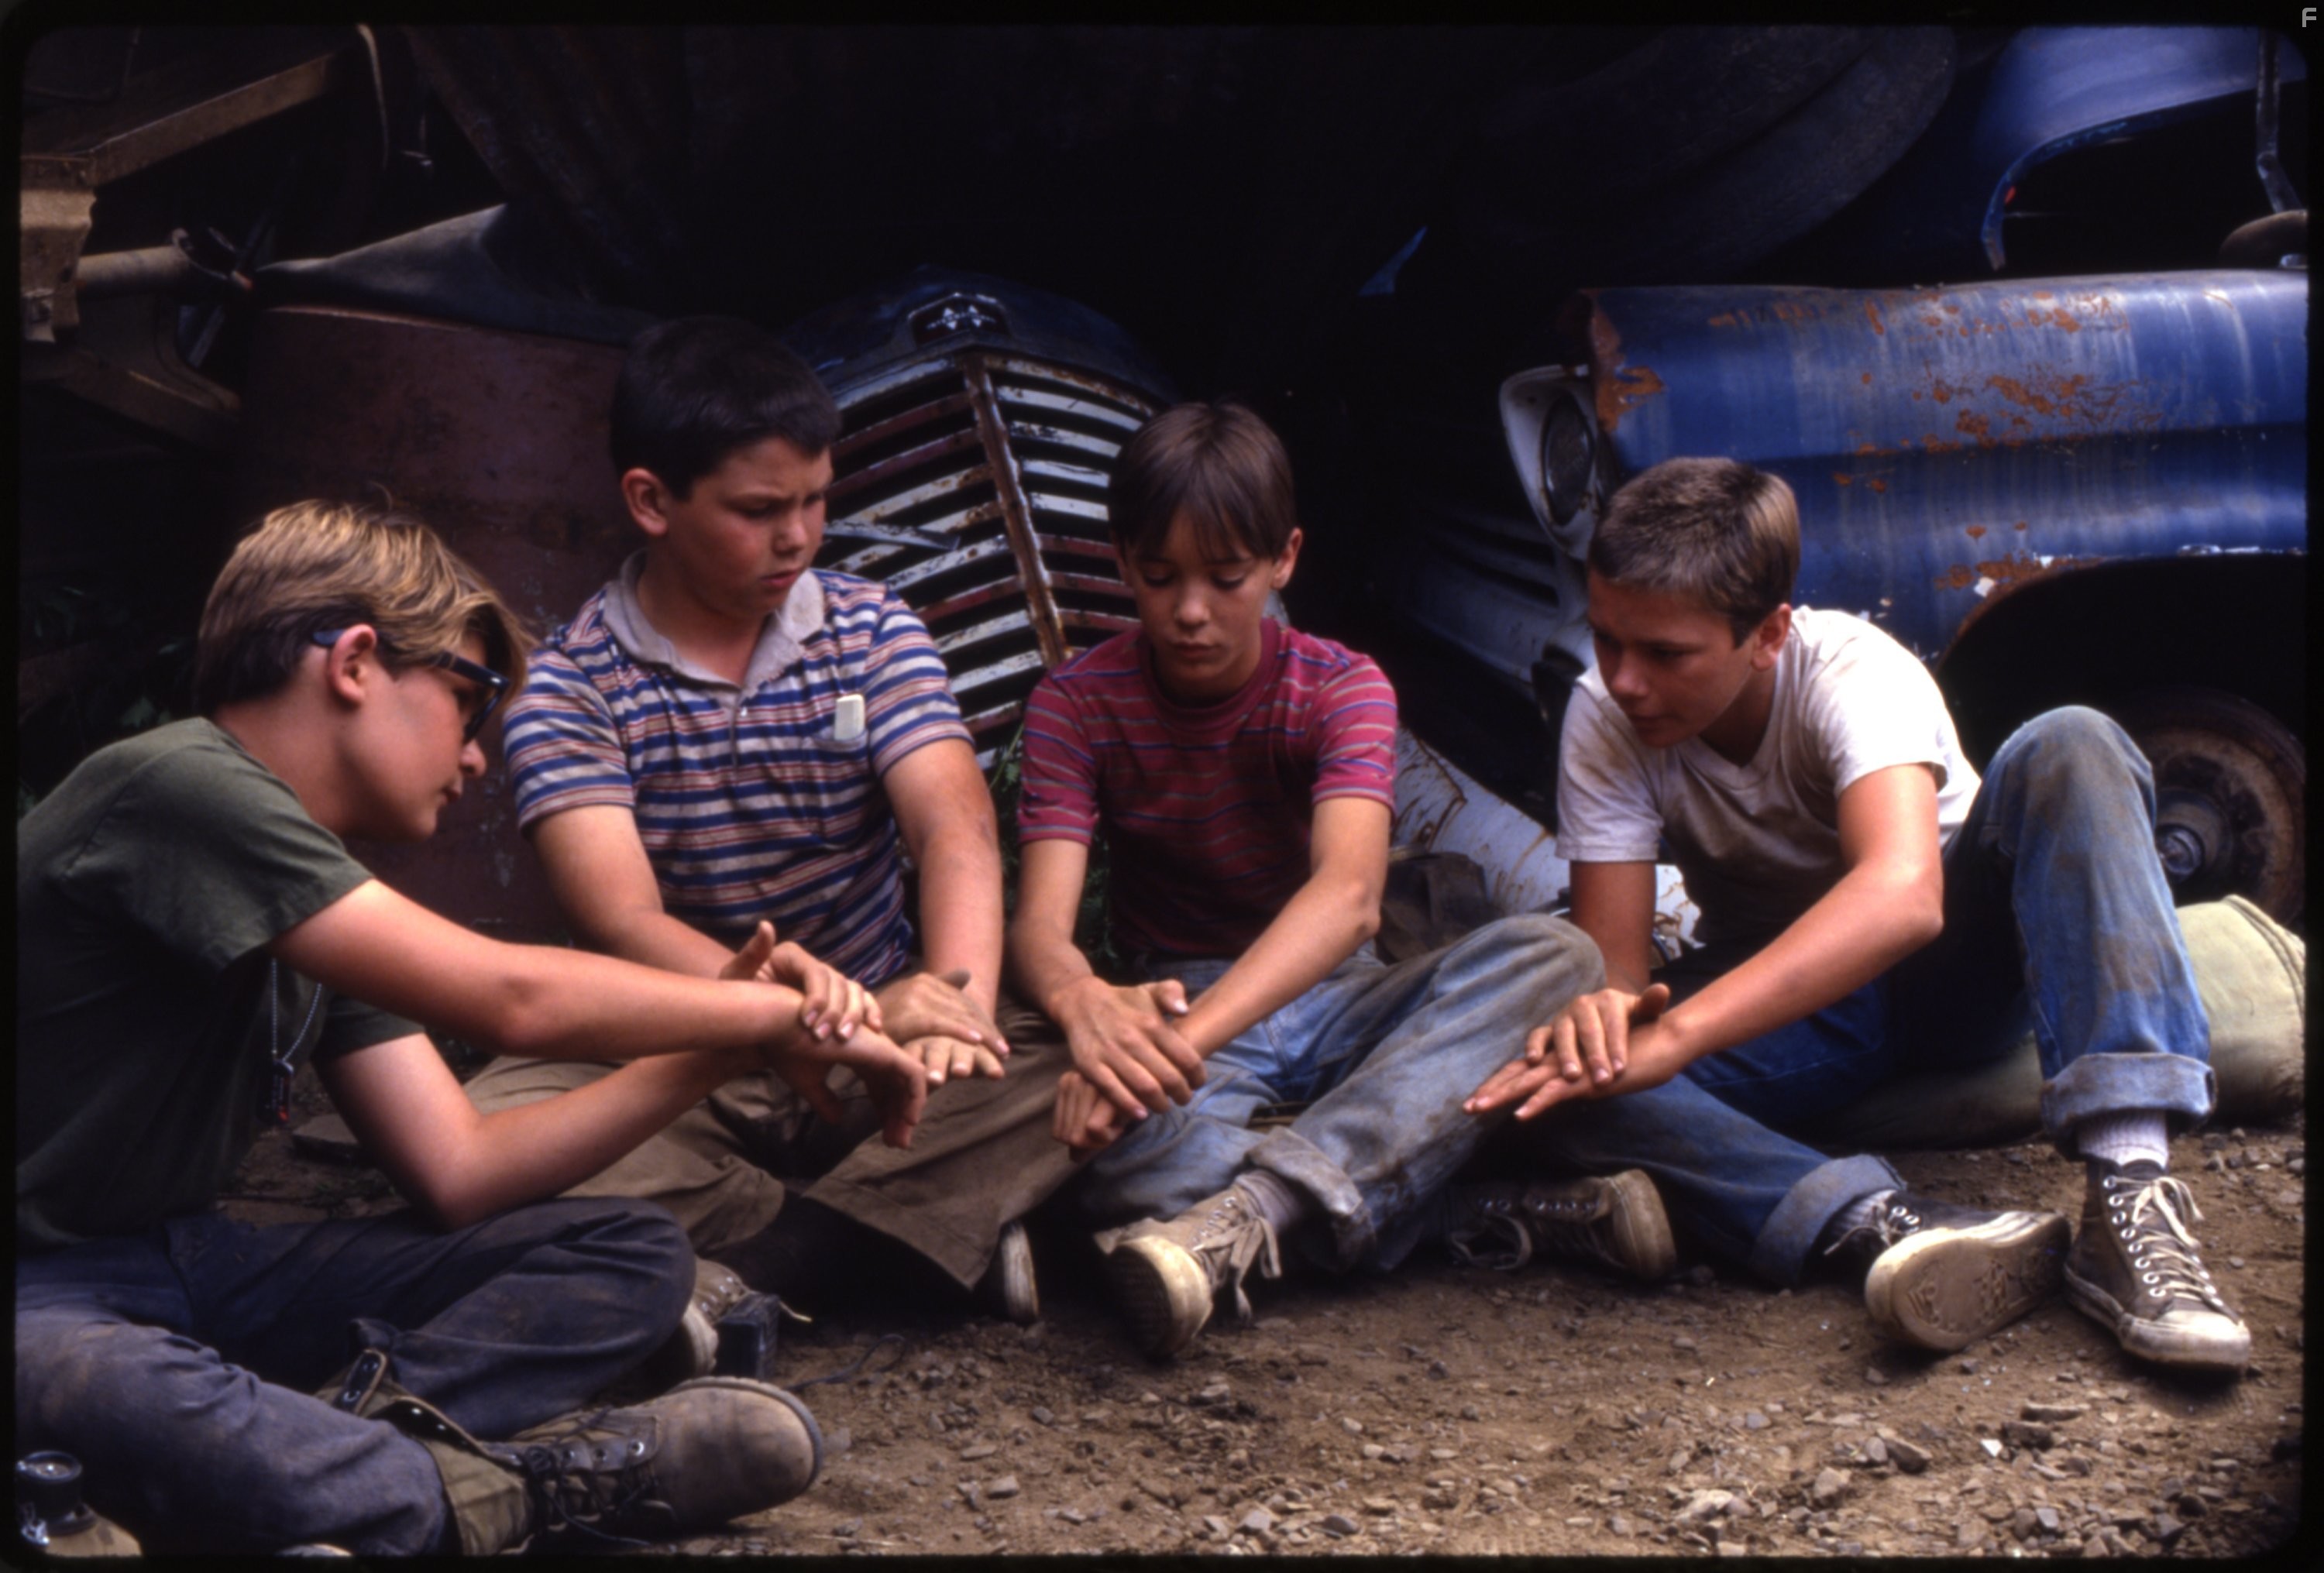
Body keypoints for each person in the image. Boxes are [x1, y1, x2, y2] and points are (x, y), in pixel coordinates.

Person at [16, 501, 931, 1556]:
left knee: (628, 1249)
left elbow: (459, 1166)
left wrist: (721, 1048)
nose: (479, 755)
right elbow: (511, 998)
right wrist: (783, 1010)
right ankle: (514, 1492)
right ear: (356, 661)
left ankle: (328, 1465)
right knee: (99, 1382)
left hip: (186, 1265)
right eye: (470, 695)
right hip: (39, 1286)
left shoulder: (322, 890)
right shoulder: (171, 781)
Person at [1466, 456, 2248, 1372]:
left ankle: (2130, 1192)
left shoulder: (1850, 670)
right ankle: (1881, 1221)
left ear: (1767, 635)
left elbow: (1904, 897)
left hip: (1956, 968)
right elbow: (1618, 974)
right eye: (1607, 640)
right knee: (1551, 1081)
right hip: (1794, 1007)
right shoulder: (1607, 712)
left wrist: (1680, 1038)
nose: (1626, 680)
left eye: (1665, 654)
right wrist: (1605, 1021)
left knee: (2071, 742)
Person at [1006, 400, 1673, 1361]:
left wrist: (1184, 1043)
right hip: (1178, 995)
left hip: (1339, 993)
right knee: (1117, 1175)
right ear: (1121, 562)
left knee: (1559, 956)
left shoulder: (1340, 685)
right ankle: (1466, 1209)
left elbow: (1350, 899)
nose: (1191, 611)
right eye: (1159, 579)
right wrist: (1086, 1011)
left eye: (1226, 578)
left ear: (1285, 559)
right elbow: (1042, 927)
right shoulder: (1076, 704)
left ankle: (1258, 1211)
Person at [461, 316, 1075, 1321]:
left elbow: (955, 829)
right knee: (477, 1135)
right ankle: (890, 1237)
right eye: (760, 509)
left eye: (817, 498)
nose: (799, 534)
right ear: (651, 501)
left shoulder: (874, 627)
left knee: (1087, 1040)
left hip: (893, 1038)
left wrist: (953, 1004)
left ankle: (767, 1264)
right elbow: (622, 922)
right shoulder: (569, 684)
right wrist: (799, 1021)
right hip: (682, 1047)